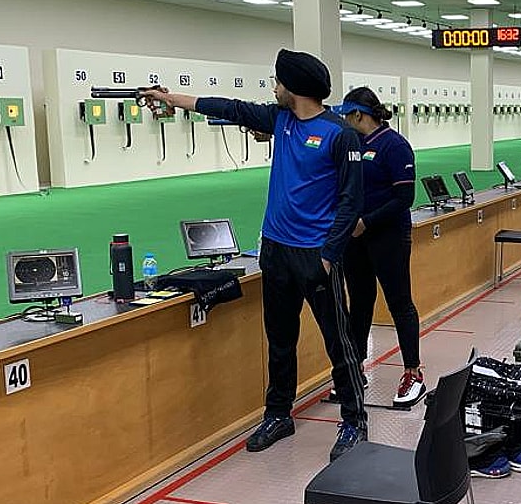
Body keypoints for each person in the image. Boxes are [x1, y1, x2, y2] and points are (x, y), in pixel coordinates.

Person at [140, 49, 368, 462]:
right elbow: (229, 107)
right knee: (280, 341)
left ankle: (354, 421)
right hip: (276, 250)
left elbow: (352, 203)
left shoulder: (340, 135)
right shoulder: (279, 120)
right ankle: (278, 414)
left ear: (294, 88)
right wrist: (172, 98)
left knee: (340, 342)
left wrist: (330, 256)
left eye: (278, 82)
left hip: (315, 255)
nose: (274, 88)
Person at [336, 86, 426, 406]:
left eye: (346, 115)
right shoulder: (353, 144)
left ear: (358, 115)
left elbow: (405, 199)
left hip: (387, 236)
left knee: (400, 303)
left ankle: (413, 373)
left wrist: (367, 222)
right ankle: (355, 368)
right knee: (359, 303)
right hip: (355, 238)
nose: (343, 121)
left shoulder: (395, 145)